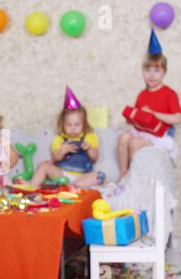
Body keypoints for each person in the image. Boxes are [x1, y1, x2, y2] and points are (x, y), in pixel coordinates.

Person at [117, 30, 181, 182]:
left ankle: (135, 177)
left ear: (164, 72)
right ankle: (123, 173)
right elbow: (137, 118)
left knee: (133, 142)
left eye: (156, 70)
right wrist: (131, 118)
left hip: (160, 135)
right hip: (143, 130)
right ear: (143, 71)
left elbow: (178, 118)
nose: (151, 75)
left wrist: (154, 114)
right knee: (123, 137)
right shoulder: (142, 94)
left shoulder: (169, 93)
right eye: (147, 70)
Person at [26, 87, 105, 188]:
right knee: (43, 166)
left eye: (77, 124)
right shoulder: (59, 139)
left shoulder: (90, 136)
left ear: (84, 124)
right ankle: (32, 186)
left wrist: (89, 148)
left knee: (100, 175)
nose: (73, 128)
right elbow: (55, 158)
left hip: (82, 176)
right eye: (69, 124)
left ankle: (74, 186)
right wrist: (62, 151)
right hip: (62, 174)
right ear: (62, 124)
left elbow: (95, 157)